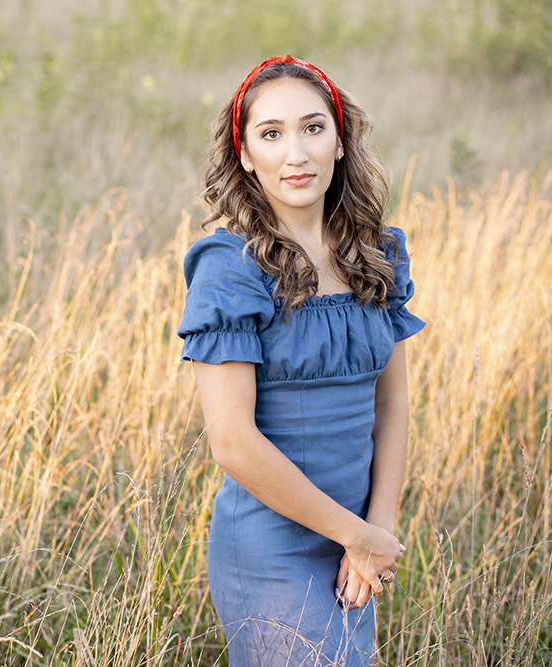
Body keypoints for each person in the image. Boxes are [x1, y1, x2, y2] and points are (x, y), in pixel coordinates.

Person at [177, 55, 425, 666]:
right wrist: (354, 533)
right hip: (271, 546)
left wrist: (377, 532)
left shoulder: (375, 252)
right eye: (272, 133)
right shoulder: (229, 268)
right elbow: (233, 442)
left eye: (314, 128)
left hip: (360, 546)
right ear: (244, 153)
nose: (297, 153)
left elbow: (391, 401)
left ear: (340, 142)